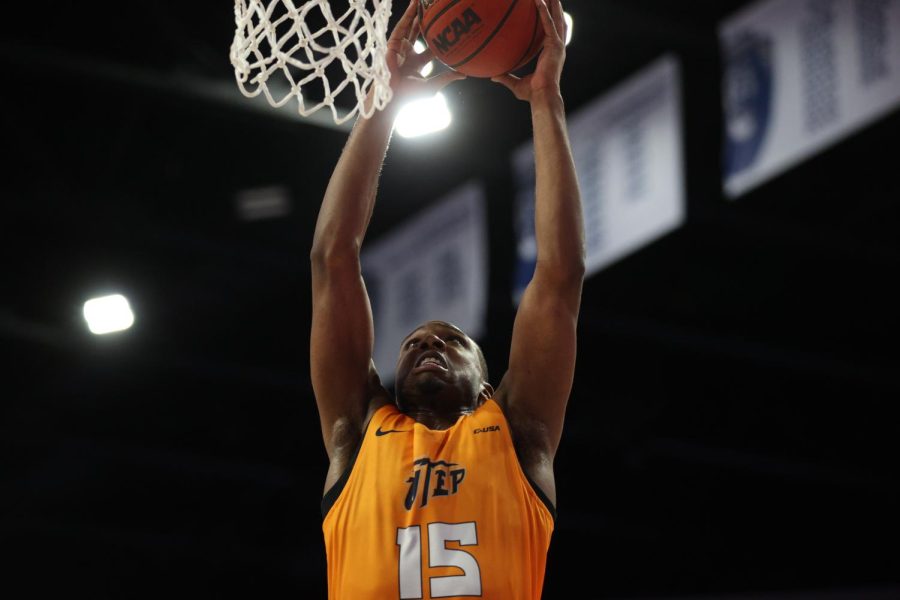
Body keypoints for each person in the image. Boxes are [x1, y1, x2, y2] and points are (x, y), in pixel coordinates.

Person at [309, 0, 584, 597]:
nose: (428, 343)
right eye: (412, 344)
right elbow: (333, 262)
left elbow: (559, 275)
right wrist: (385, 103)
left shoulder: (520, 431)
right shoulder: (355, 431)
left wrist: (546, 102)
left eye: (452, 341)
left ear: (489, 383)